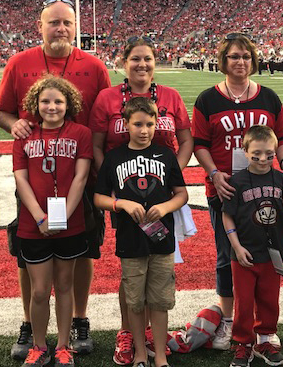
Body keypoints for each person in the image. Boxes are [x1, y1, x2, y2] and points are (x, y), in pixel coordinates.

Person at [0, 0, 110, 359]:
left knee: (83, 249)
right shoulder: (20, 62)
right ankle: (30, 324)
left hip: (81, 174)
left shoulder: (94, 65)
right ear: (40, 26)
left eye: (67, 23)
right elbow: (1, 112)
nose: (60, 29)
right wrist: (18, 125)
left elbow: (103, 117)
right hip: (36, 175)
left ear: (76, 26)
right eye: (53, 22)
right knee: (30, 255)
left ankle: (79, 319)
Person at [191, 32, 283, 350]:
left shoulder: (268, 96)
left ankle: (263, 326)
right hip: (226, 191)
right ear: (223, 61)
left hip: (265, 190)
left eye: (245, 56)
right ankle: (229, 321)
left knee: (266, 256)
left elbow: (282, 135)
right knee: (228, 257)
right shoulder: (208, 99)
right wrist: (213, 174)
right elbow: (199, 144)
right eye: (234, 56)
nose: (240, 62)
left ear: (252, 60)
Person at [89, 35, 193, 365]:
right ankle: (129, 334)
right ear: (124, 62)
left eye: (147, 58)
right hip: (123, 192)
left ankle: (152, 338)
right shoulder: (107, 99)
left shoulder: (171, 96)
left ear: (154, 61)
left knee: (161, 268)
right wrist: (115, 190)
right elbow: (96, 145)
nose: (142, 64)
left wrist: (172, 172)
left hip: (162, 193)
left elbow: (186, 138)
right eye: (135, 58)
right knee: (132, 268)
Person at [14, 75, 92, 367]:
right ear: (35, 103)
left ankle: (62, 345)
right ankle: (38, 345)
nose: (51, 106)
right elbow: (20, 178)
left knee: (65, 285)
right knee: (38, 290)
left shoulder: (80, 133)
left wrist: (63, 217)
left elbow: (81, 177)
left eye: (58, 101)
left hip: (69, 223)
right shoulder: (25, 135)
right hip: (32, 223)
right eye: (45, 100)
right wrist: (39, 217)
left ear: (68, 103)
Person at [222, 125, 283, 367]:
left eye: (269, 154)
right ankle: (243, 343)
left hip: (272, 252)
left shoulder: (280, 178)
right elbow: (228, 215)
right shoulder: (237, 181)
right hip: (244, 253)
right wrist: (236, 247)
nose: (262, 159)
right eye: (256, 153)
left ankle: (266, 337)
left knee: (270, 298)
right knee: (244, 301)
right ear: (245, 151)